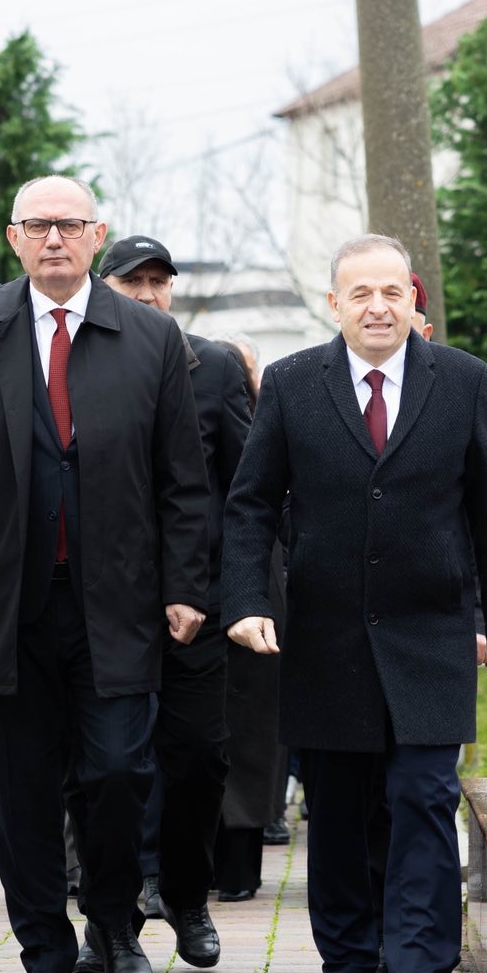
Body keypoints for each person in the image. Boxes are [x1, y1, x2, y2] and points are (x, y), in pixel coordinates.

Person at [223, 234, 487, 973]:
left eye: (392, 292)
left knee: (425, 800)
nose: (377, 306)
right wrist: (245, 599)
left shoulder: (462, 382)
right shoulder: (293, 386)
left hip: (430, 638)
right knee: (335, 810)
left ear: (413, 300)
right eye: (360, 293)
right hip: (325, 642)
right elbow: (252, 504)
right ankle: (346, 972)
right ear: (335, 304)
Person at [0, 176, 210, 973]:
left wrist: (187, 587)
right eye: (38, 226)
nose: (55, 239)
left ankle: (117, 929)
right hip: (9, 610)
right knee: (22, 792)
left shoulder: (152, 338)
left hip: (118, 606)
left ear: (98, 234)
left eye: (71, 225)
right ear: (12, 240)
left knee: (119, 772)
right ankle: (44, 966)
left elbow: (184, 481)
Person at [87, 234, 248, 970]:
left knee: (196, 759)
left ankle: (187, 897)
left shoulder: (211, 366)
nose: (148, 294)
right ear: (105, 288)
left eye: (159, 281)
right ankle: (108, 916)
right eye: (132, 282)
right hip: (104, 602)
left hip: (197, 603)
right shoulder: (78, 359)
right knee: (106, 767)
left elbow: (245, 490)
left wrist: (241, 591)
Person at [205, 337, 283, 901]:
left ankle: (238, 858)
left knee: (249, 720)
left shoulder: (221, 373)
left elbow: (253, 495)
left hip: (239, 578)